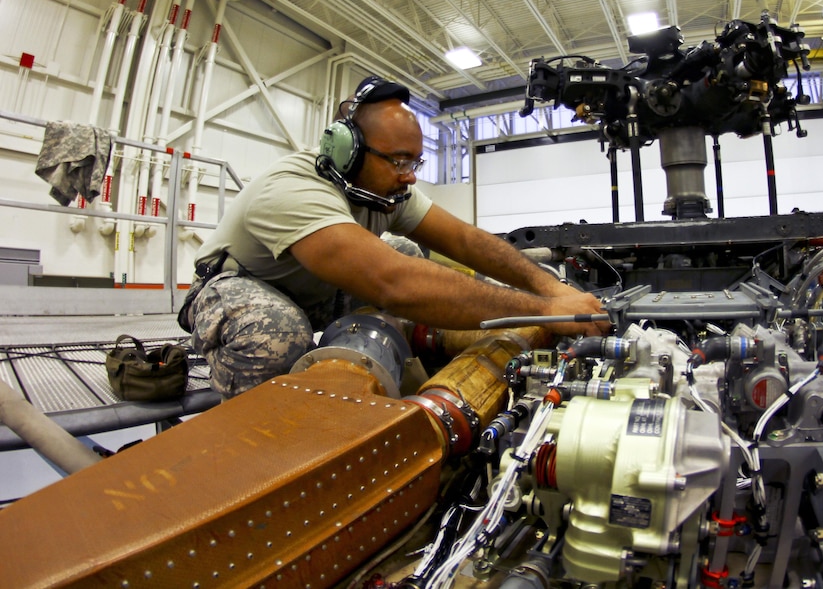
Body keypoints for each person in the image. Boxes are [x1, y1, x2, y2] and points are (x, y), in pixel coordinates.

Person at [180, 76, 608, 398]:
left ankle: (396, 367)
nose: (410, 176)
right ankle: (263, 434)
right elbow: (394, 283)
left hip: (311, 294)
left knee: (404, 249)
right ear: (347, 149)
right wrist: (544, 311)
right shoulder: (293, 189)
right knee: (278, 334)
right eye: (400, 161)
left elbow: (465, 241)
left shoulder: (387, 188)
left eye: (416, 161)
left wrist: (553, 289)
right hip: (239, 292)